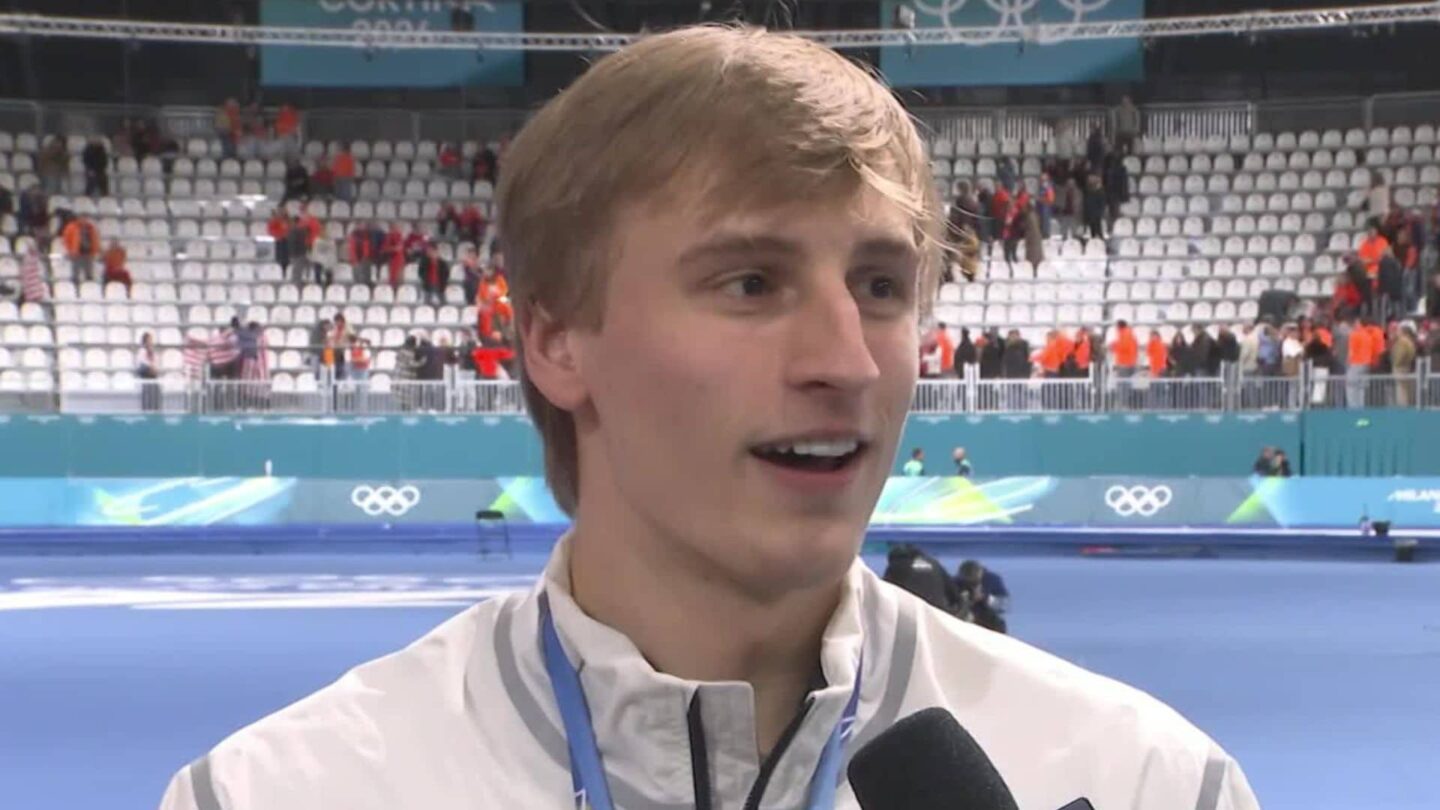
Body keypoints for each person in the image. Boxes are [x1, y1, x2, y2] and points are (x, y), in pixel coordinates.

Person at [160, 26, 1256, 810]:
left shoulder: (1146, 783)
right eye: (749, 284)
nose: (845, 361)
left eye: (880, 287)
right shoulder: (280, 792)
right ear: (554, 341)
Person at [881, 544, 963, 616]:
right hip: (938, 617)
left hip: (914, 618)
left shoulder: (896, 565)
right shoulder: (935, 564)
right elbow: (955, 596)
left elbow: (882, 596)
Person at [955, 559, 1009, 634]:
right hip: (964, 612)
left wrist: (986, 599)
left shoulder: (992, 580)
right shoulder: (956, 582)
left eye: (974, 583)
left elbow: (1004, 604)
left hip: (986, 613)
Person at [61, 214, 101, 283]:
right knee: (76, 272)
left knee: (89, 272)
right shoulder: (71, 227)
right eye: (82, 218)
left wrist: (95, 250)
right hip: (76, 253)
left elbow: (95, 239)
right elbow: (66, 239)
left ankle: (89, 286)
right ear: (79, 219)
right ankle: (75, 286)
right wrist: (70, 250)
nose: (84, 220)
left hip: (88, 252)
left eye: (86, 219)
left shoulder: (91, 228)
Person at [137, 332, 160, 412]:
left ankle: (155, 409)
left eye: (151, 339)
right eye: (149, 339)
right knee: (146, 392)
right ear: (145, 341)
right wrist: (151, 366)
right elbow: (142, 361)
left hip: (152, 372)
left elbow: (156, 362)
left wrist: (154, 367)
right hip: (145, 372)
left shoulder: (153, 351)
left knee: (155, 389)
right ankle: (146, 409)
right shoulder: (142, 350)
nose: (150, 341)